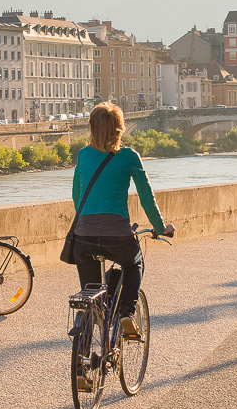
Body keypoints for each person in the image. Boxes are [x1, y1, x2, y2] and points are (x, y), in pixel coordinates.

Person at [70, 101, 169, 344]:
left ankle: (86, 335)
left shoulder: (83, 155)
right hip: (118, 236)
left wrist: (88, 223)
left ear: (92, 128)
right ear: (120, 128)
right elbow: (146, 196)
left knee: (91, 292)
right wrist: (160, 227)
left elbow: (77, 194)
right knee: (135, 263)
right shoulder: (129, 156)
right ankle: (126, 312)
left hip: (84, 236)